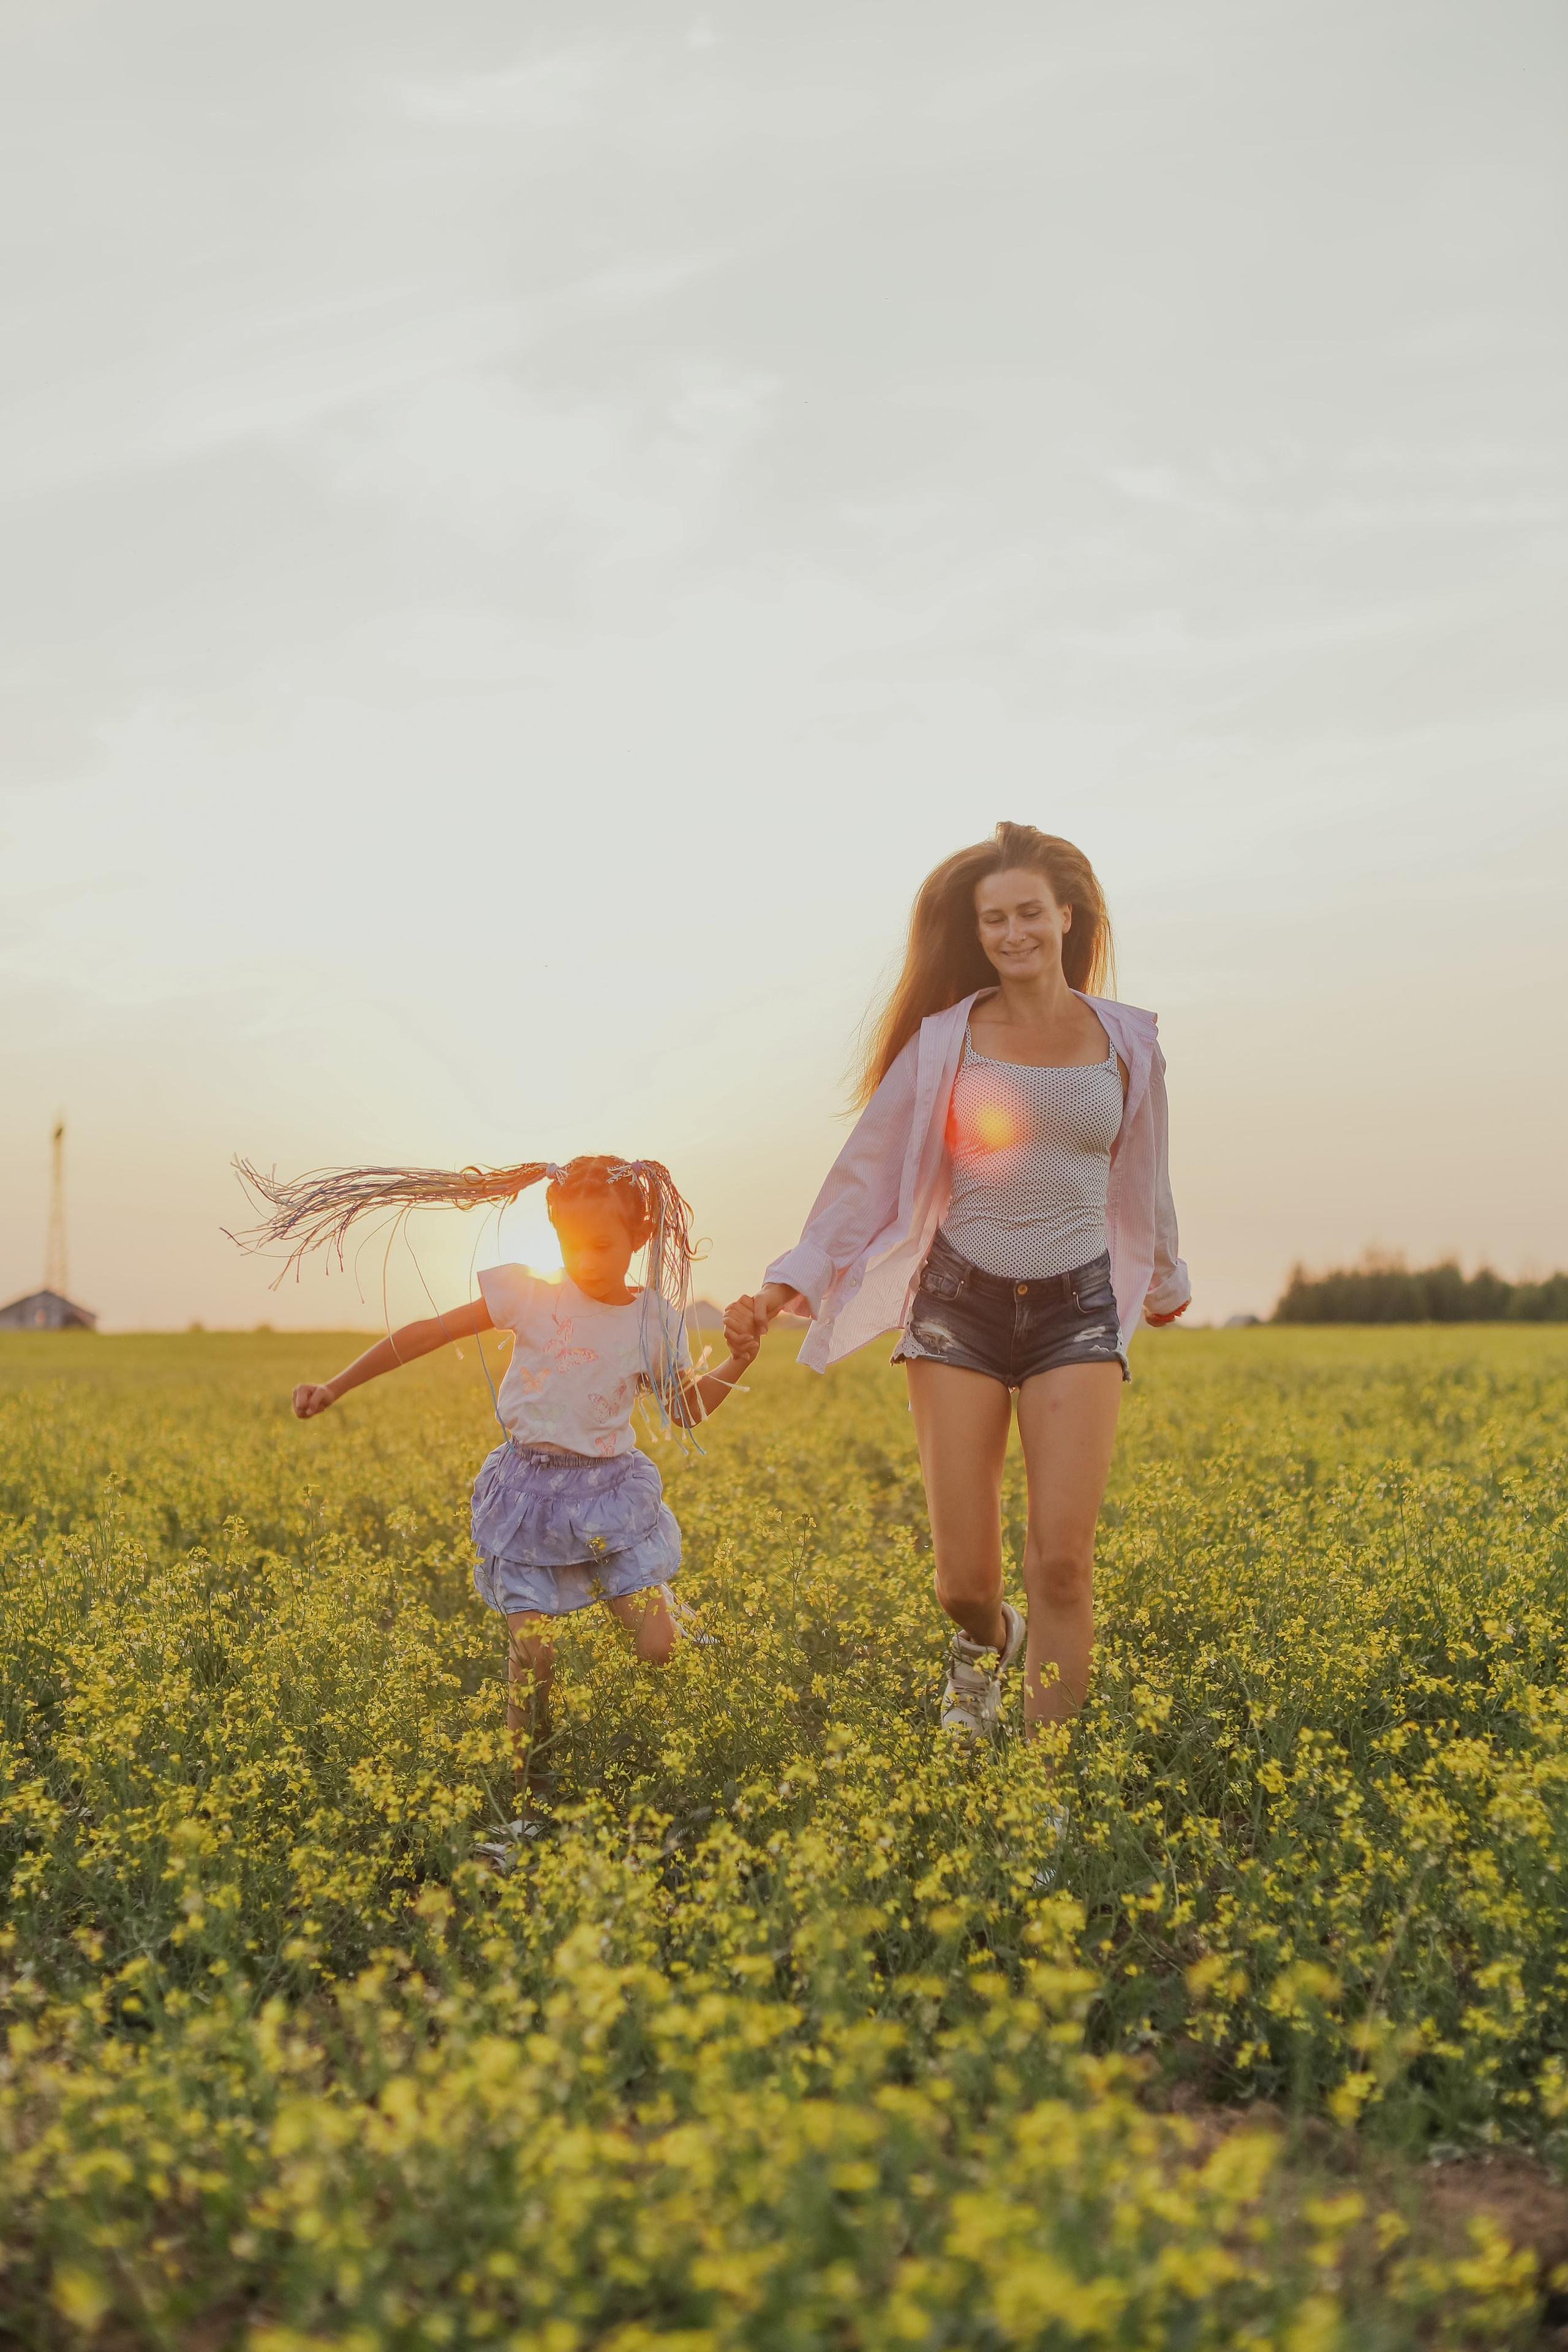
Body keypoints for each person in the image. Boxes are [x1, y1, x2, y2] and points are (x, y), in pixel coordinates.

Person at [726, 823, 1188, 1744]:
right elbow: (866, 1173)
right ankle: (989, 1642)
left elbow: (1145, 1172)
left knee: (1063, 1565)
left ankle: (1042, 1800)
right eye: (993, 920)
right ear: (976, 933)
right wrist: (787, 1285)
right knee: (964, 1584)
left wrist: (1166, 1279)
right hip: (958, 1311)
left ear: (1066, 915)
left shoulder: (1128, 1040)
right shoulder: (946, 1042)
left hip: (1079, 1314)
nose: (1013, 932)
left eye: (1028, 913)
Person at [249, 1154, 758, 1762]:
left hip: (609, 1496)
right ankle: (525, 1795)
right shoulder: (530, 1295)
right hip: (527, 1499)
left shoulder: (652, 1318)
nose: (587, 1261)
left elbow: (684, 1409)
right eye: (573, 1245)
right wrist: (336, 1384)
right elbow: (427, 1333)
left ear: (639, 1237)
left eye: (603, 1245)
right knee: (533, 1662)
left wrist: (738, 1361)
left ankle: (652, 1742)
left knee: (658, 1650)